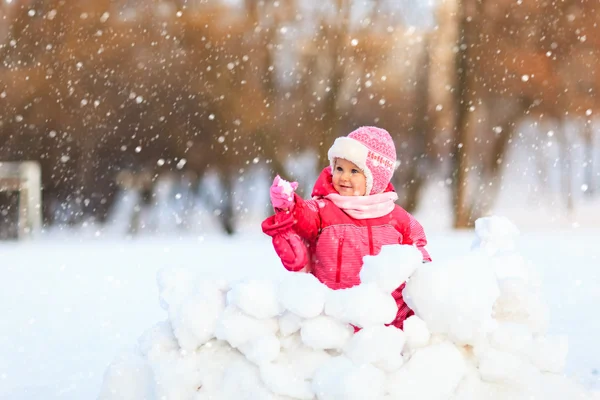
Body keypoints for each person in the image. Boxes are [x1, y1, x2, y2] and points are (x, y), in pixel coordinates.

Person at [261, 126, 431, 329]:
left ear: (375, 178)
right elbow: (303, 217)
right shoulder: (324, 209)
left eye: (354, 171)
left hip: (387, 322)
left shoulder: (397, 219)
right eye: (339, 168)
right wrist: (289, 204)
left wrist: (424, 272)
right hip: (335, 319)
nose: (344, 177)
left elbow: (418, 252)